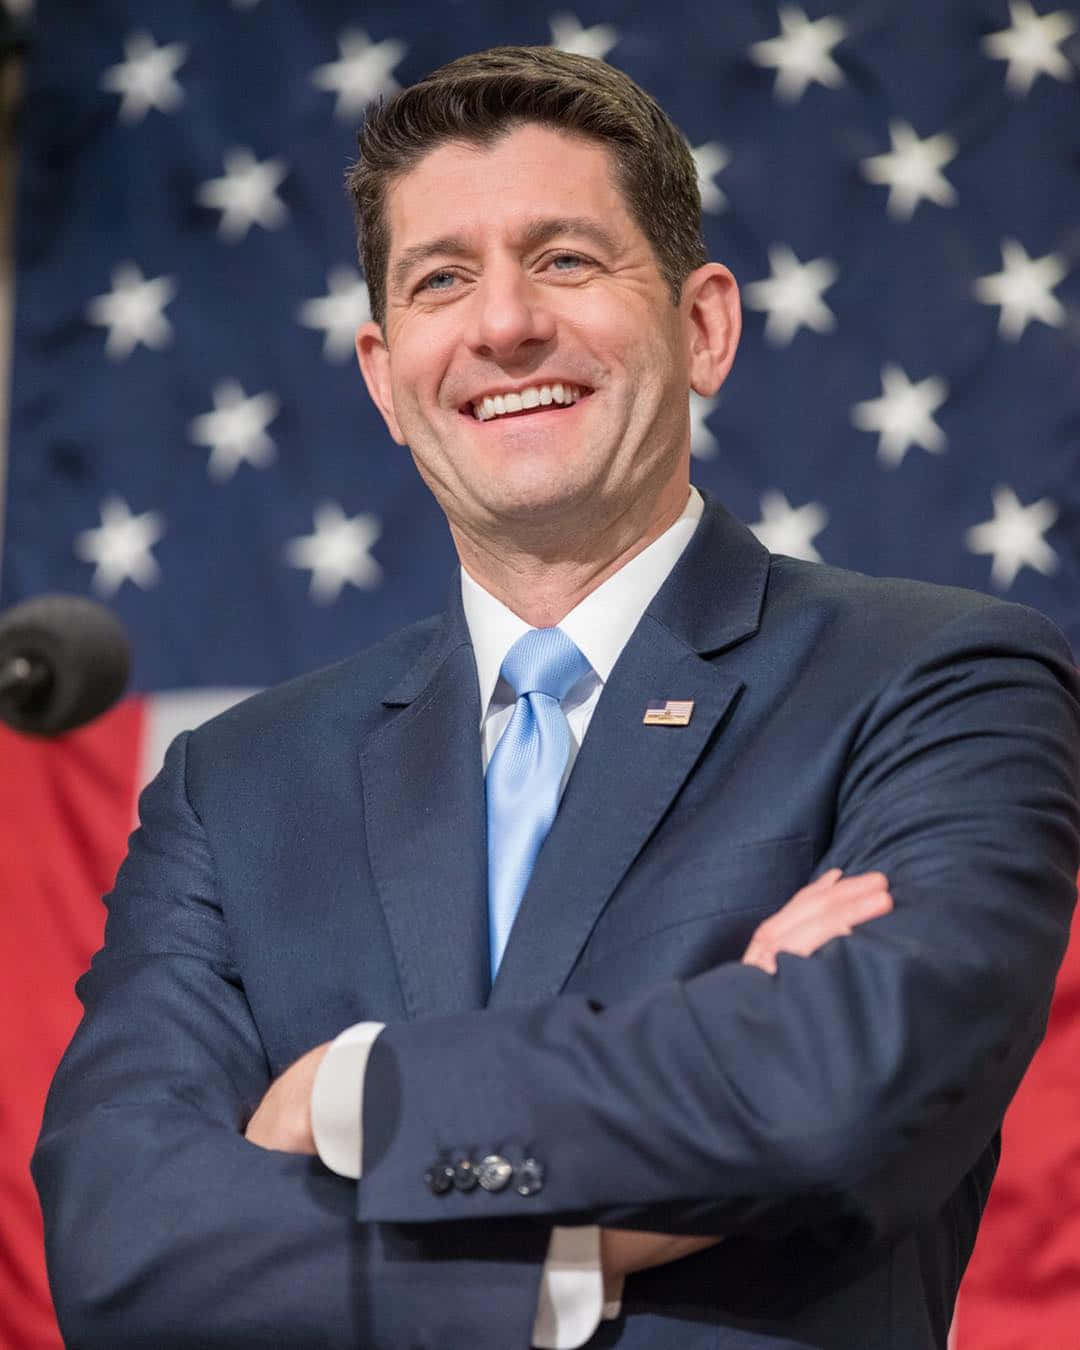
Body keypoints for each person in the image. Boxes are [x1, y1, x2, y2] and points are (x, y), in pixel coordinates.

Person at [33, 46, 1079, 1350]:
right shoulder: (234, 782)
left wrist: (354, 1094)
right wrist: (572, 1254)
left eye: (567, 260)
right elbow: (120, 1244)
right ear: (384, 374)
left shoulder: (936, 679)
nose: (505, 323)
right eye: (440, 279)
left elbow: (848, 1081)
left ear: (703, 324)